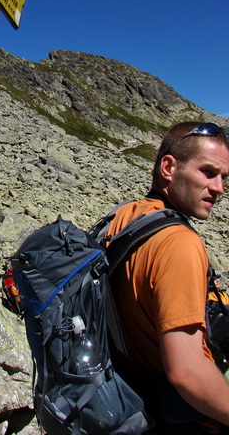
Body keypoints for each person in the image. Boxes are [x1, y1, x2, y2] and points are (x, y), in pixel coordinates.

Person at [107, 122, 229, 434]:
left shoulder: (125, 216)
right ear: (169, 167)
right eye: (208, 172)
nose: (219, 188)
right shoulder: (180, 243)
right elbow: (187, 372)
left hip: (132, 393)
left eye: (224, 178)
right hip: (185, 418)